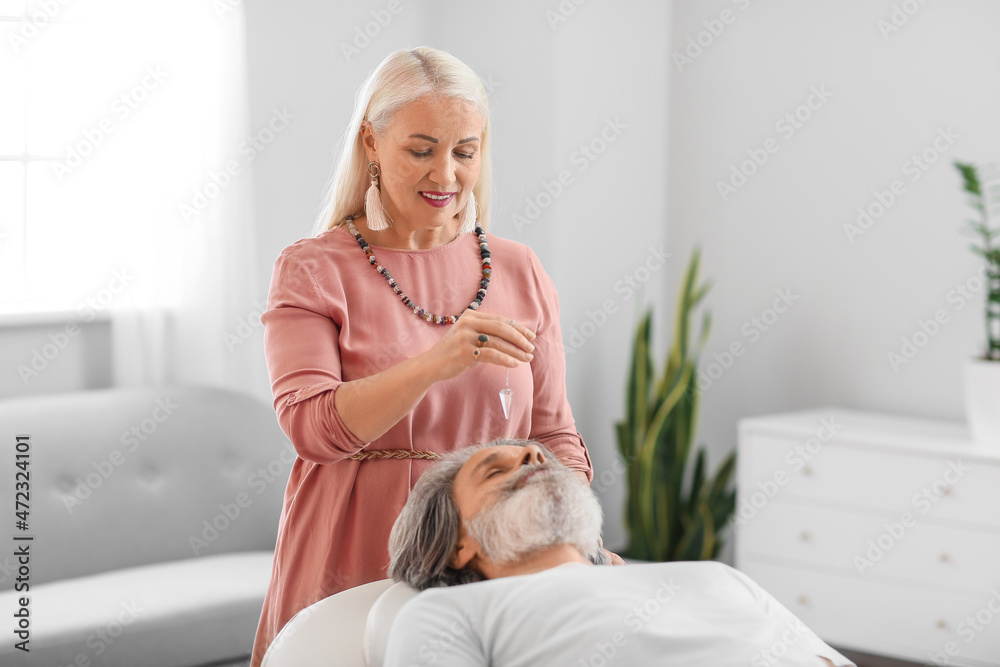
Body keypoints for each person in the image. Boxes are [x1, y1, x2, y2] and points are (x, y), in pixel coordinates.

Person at [250, 47, 610, 666]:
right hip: (351, 538)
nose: (445, 174)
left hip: (491, 549)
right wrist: (436, 363)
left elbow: (554, 435)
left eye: (464, 152)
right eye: (421, 150)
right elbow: (311, 428)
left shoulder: (518, 268)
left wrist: (576, 545)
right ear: (371, 141)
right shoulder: (313, 268)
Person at [384, 439, 857, 667]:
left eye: (540, 457)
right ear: (457, 545)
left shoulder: (714, 575)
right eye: (494, 471)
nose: (533, 456)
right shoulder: (450, 613)